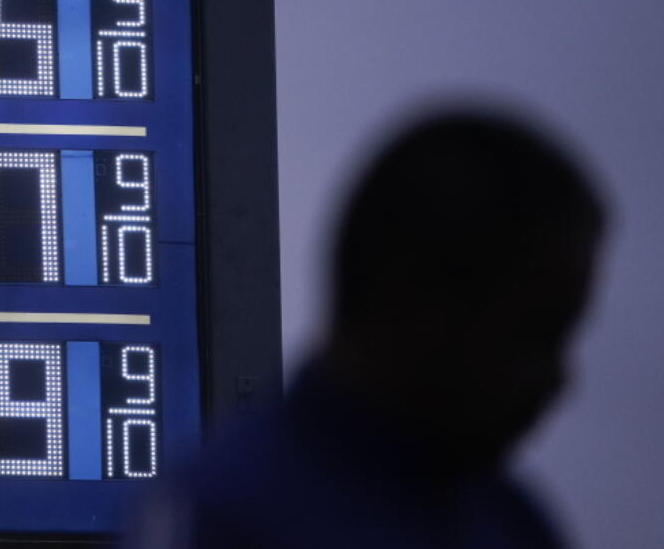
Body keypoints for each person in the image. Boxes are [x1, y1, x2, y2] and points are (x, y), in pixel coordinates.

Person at [132, 108, 606, 549]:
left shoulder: (511, 521)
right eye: (536, 336)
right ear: (413, 302)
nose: (562, 380)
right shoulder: (222, 519)